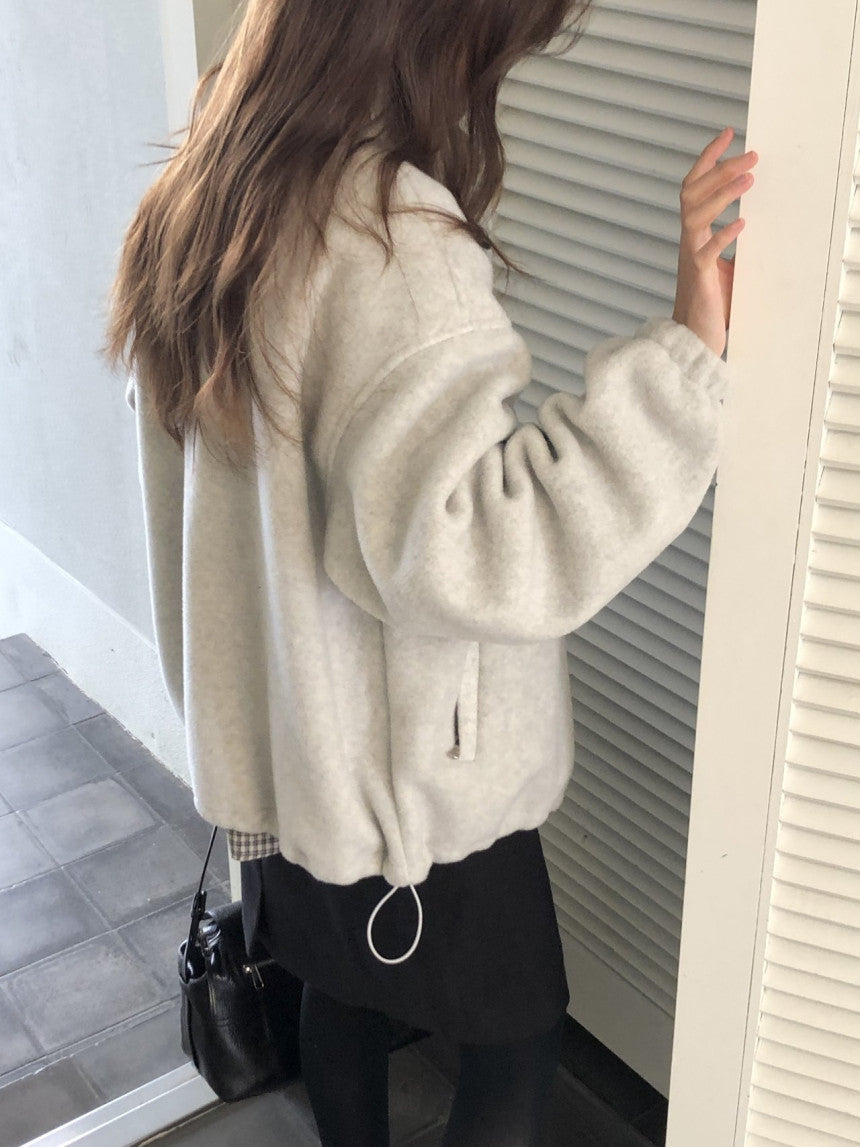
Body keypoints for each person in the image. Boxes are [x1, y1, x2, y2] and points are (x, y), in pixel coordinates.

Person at [104, 0, 758, 1143]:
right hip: (408, 785)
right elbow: (474, 550)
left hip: (289, 756)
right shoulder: (387, 236)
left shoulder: (210, 179)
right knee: (516, 1040)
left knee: (340, 989)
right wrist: (684, 362)